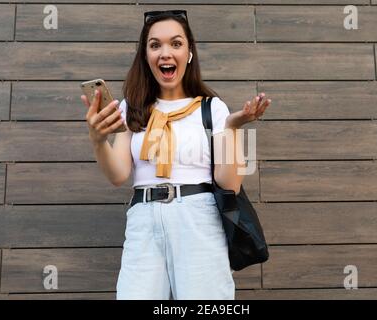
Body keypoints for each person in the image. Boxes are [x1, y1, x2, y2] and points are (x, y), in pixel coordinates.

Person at [80, 10, 271, 300]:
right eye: (155, 45)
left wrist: (233, 126)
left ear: (189, 53)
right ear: (145, 56)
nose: (165, 53)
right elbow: (119, 174)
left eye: (176, 44)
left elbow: (229, 184)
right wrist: (97, 140)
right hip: (143, 219)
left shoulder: (212, 108)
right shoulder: (132, 108)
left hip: (198, 217)